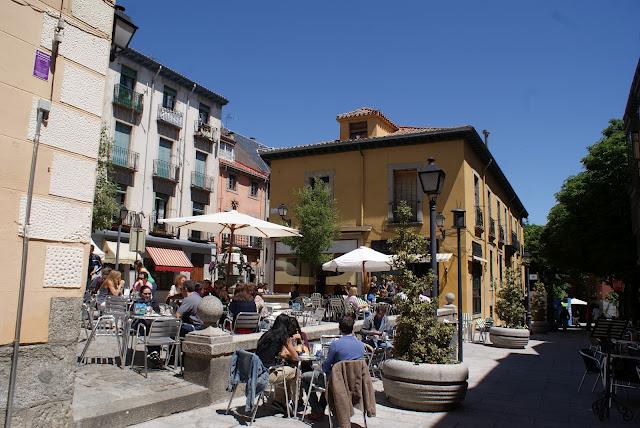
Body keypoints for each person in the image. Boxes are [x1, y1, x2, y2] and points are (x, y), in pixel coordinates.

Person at [301, 316, 365, 420]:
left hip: (337, 383)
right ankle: (320, 409)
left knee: (305, 377)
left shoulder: (335, 344)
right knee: (328, 381)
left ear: (340, 328)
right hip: (355, 383)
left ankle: (316, 409)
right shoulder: (361, 345)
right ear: (352, 328)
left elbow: (325, 368)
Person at [255, 314, 299, 413]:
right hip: (267, 374)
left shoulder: (266, 334)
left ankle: (280, 401)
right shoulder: (284, 337)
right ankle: (293, 402)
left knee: (285, 371)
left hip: (256, 371)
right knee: (296, 372)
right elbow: (295, 357)